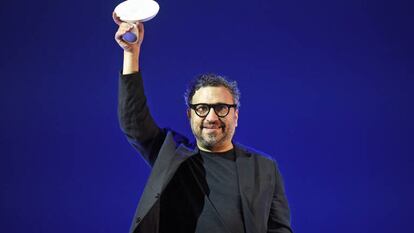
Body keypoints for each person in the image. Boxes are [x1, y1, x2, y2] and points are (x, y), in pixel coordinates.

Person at [113, 13, 293, 233]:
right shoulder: (170, 154)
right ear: (189, 115)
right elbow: (133, 122)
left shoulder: (264, 168)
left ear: (235, 115)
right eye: (202, 108)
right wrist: (131, 52)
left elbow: (279, 229)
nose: (211, 117)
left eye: (221, 108)